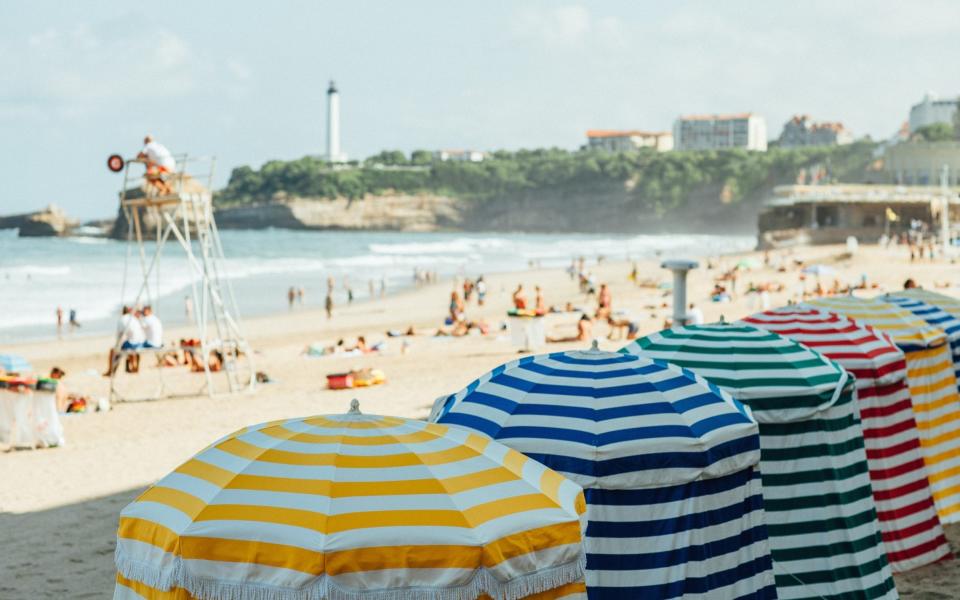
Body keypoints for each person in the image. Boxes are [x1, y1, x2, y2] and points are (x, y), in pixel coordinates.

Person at [105, 306, 146, 376]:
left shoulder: (122, 319)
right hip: (140, 343)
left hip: (133, 343)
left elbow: (120, 335)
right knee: (127, 347)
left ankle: (110, 371)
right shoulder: (134, 318)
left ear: (122, 312)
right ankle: (135, 367)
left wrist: (117, 346)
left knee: (114, 351)